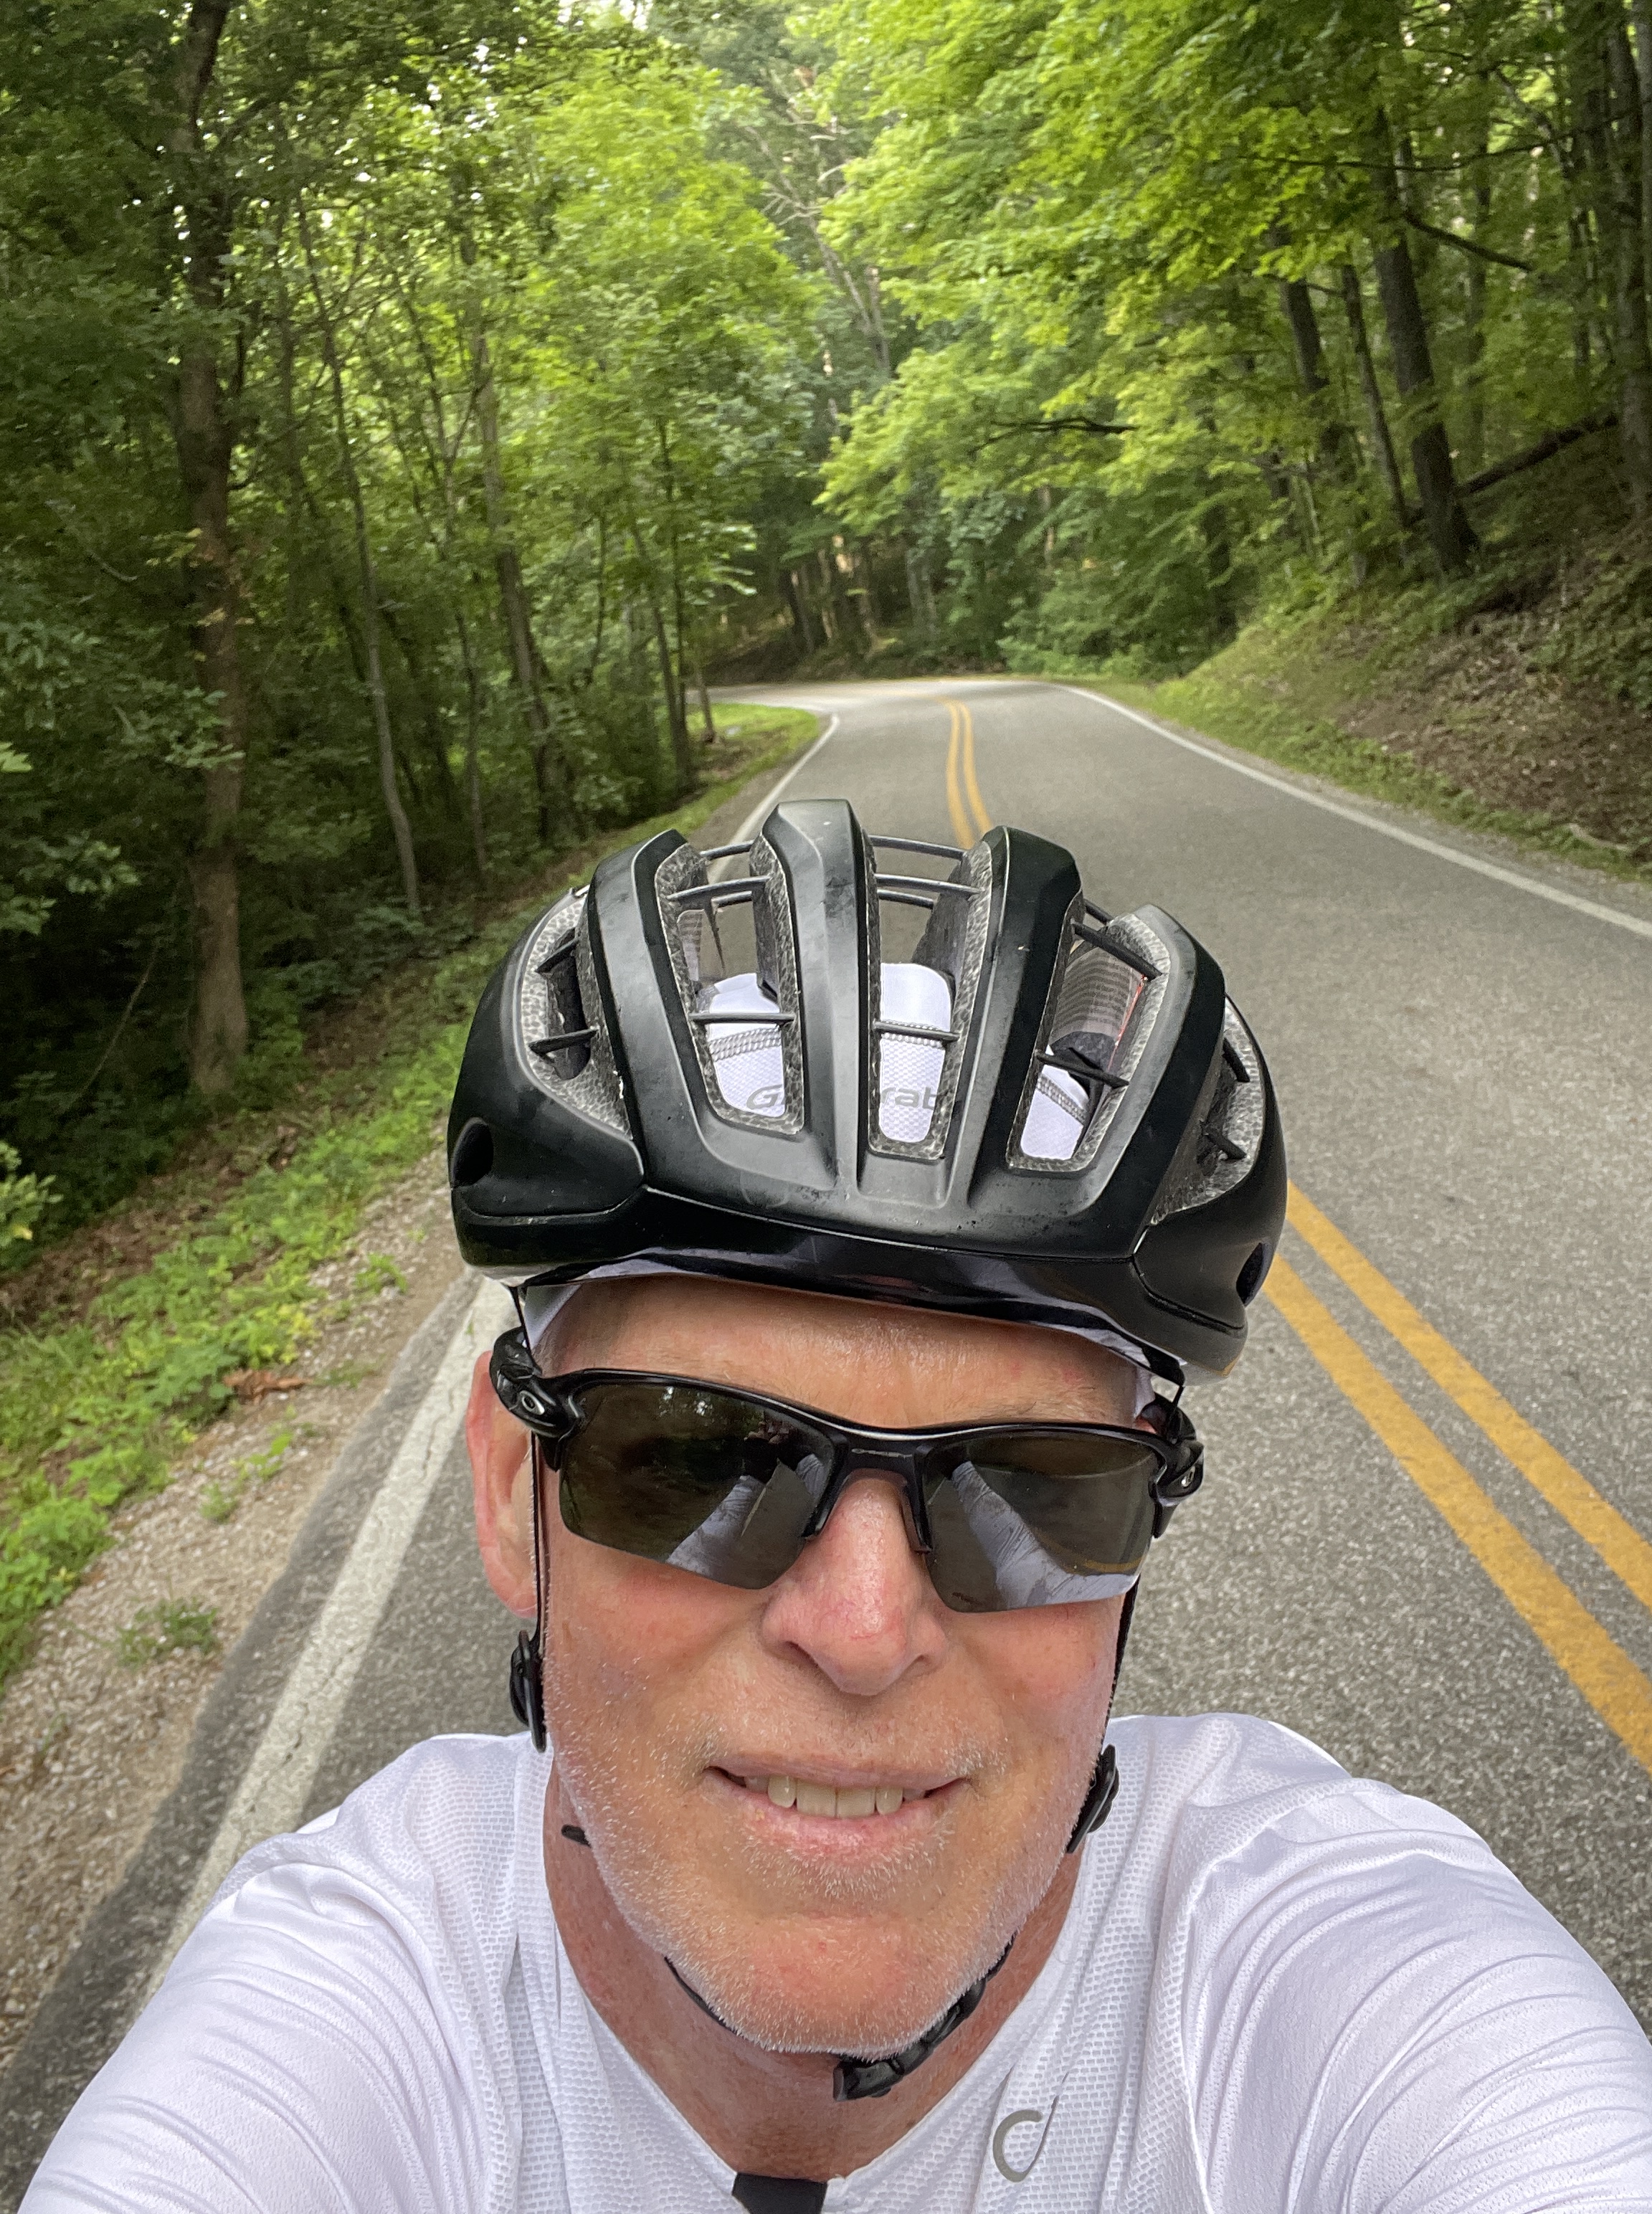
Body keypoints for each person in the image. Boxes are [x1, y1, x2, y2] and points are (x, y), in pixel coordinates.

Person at [25, 801, 1652, 2210]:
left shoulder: (1327, 1978)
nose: (865, 1632)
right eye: (700, 1459)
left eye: (1030, 1486)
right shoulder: (348, 2012)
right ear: (516, 1484)